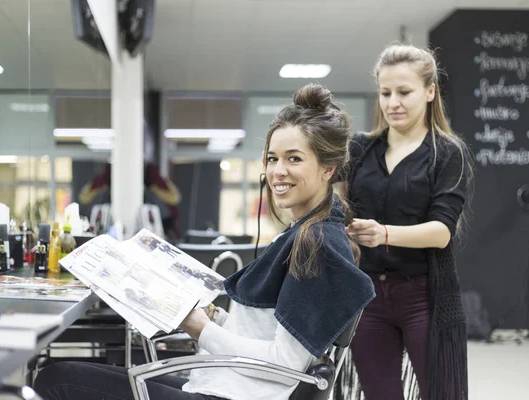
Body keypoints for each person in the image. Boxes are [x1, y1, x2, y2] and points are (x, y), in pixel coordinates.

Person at [33, 83, 375, 400]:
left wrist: (200, 329)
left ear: (328, 168)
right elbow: (267, 335)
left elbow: (285, 365)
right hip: (224, 381)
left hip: (232, 393)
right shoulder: (302, 234)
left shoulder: (317, 246)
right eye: (272, 158)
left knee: (55, 379)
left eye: (294, 159)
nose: (277, 171)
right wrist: (213, 319)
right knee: (65, 374)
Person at [342, 43, 473, 400]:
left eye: (404, 92)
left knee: (441, 393)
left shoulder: (448, 152)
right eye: (385, 93)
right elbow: (336, 205)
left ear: (430, 92)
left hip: (424, 296)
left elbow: (441, 232)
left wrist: (382, 233)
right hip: (367, 295)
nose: (392, 102)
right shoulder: (359, 149)